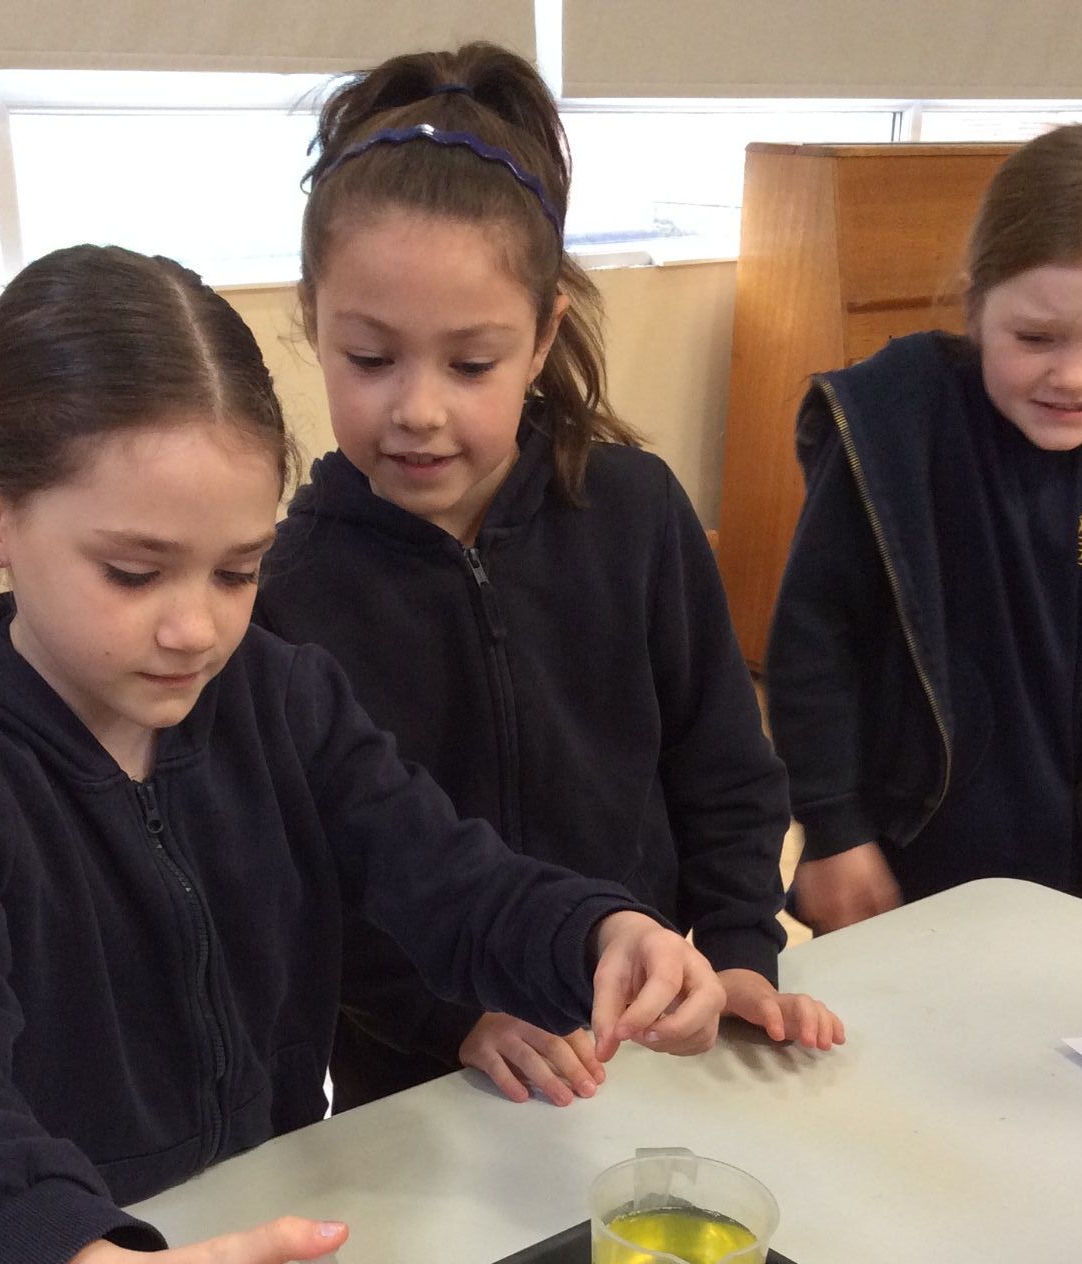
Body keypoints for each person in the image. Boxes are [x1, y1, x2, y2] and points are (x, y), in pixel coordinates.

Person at [0, 244, 727, 1264]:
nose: (197, 626)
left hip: (236, 1253)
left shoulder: (279, 695)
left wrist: (599, 933)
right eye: (134, 571)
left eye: (239, 569)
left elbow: (445, 875)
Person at [254, 42, 843, 1115]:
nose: (418, 409)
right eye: (370, 359)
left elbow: (723, 766)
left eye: (470, 363)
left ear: (541, 339)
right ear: (312, 321)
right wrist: (454, 1020)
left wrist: (740, 948)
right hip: (419, 1094)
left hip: (642, 1052)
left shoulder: (637, 513)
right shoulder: (282, 592)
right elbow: (304, 882)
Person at [765, 122, 1082, 935]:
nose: (1073, 375)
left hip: (1056, 852)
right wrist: (833, 828)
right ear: (974, 302)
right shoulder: (893, 415)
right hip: (898, 846)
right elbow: (814, 640)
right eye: (1034, 337)